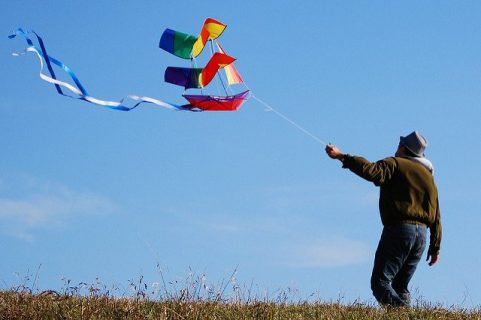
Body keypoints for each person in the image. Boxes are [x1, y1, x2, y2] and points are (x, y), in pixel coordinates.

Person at [325, 131, 442, 307]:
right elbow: (437, 214)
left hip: (400, 230)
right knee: (400, 286)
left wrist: (342, 156)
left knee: (380, 283)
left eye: (399, 144)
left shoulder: (395, 163)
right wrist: (435, 247)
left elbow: (372, 171)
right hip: (422, 237)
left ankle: (403, 315)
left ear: (404, 148)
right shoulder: (429, 177)